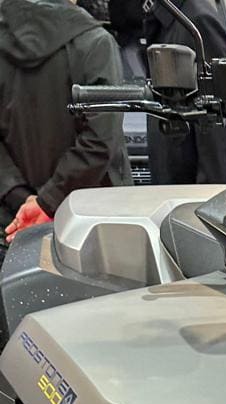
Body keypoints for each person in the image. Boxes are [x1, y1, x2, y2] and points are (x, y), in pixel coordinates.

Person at [0, 0, 129, 240]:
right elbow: (101, 140)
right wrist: (46, 202)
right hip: (92, 221)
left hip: (15, 222)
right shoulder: (95, 42)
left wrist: (21, 197)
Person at [143, 0, 226, 185]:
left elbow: (218, 134)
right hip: (173, 187)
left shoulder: (197, 23)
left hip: (191, 193)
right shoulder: (167, 20)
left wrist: (210, 197)